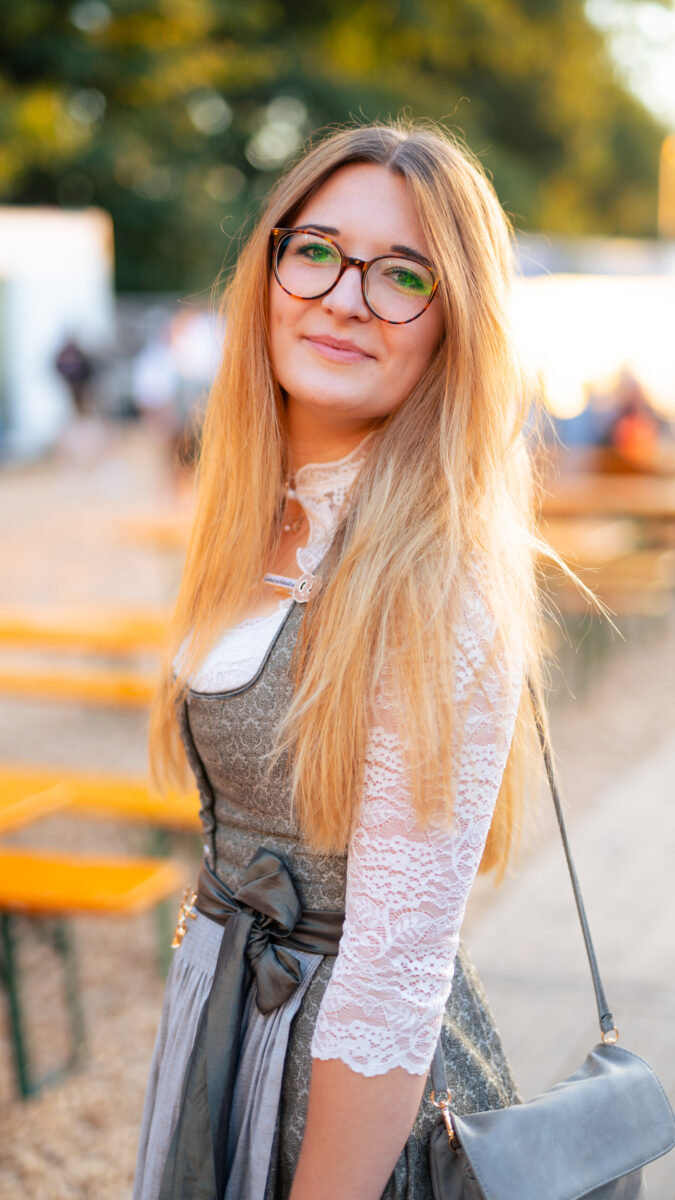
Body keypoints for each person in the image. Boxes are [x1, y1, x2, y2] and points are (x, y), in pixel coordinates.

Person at [134, 120, 548, 1200]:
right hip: (226, 1024)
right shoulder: (254, 515)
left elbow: (394, 976)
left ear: (455, 326)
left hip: (342, 1111)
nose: (345, 298)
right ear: (269, 271)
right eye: (315, 251)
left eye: (403, 274)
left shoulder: (437, 577)